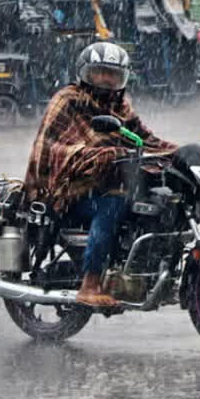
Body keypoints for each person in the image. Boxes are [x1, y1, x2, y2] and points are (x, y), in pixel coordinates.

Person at [24, 42, 177, 308]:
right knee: (112, 206)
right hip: (65, 192)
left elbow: (147, 139)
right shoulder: (68, 100)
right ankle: (90, 284)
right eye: (100, 72)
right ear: (86, 73)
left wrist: (188, 153)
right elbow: (51, 149)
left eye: (113, 74)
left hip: (106, 184)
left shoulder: (121, 108)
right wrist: (98, 156)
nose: (107, 79)